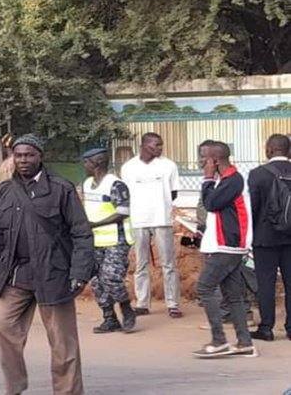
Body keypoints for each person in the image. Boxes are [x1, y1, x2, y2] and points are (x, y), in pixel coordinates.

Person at [0, 134, 94, 395]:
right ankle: (14, 388)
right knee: (3, 329)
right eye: (19, 155)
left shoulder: (61, 188)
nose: (23, 160)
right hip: (15, 274)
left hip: (54, 274)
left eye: (29, 155)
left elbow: (81, 232)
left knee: (62, 343)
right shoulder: (5, 190)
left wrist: (79, 271)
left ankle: (67, 391)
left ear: (40, 156)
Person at [194, 141, 256, 358]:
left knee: (204, 288)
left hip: (228, 246)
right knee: (233, 295)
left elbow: (210, 203)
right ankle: (244, 342)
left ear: (215, 159)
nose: (201, 161)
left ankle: (219, 340)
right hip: (227, 245)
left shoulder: (233, 180)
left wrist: (208, 178)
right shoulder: (227, 180)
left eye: (203, 157)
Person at [121, 132, 182, 318]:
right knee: (140, 263)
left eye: (161, 145)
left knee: (168, 263)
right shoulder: (129, 168)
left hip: (162, 219)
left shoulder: (168, 165)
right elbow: (126, 193)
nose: (160, 148)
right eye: (157, 145)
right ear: (145, 145)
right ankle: (142, 303)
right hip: (138, 220)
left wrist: (160, 205)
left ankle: (173, 304)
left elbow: (173, 193)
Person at [82, 148, 136, 333]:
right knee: (97, 281)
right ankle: (109, 318)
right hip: (96, 240)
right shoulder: (88, 184)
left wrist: (94, 224)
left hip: (116, 239)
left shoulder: (116, 185)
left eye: (87, 162)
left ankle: (127, 309)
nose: (84, 166)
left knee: (111, 278)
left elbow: (123, 212)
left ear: (96, 163)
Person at [247, 133, 291, 342]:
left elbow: (253, 208)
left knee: (266, 283)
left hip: (265, 237)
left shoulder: (257, 174)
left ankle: (266, 328)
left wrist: (251, 235)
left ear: (269, 149)